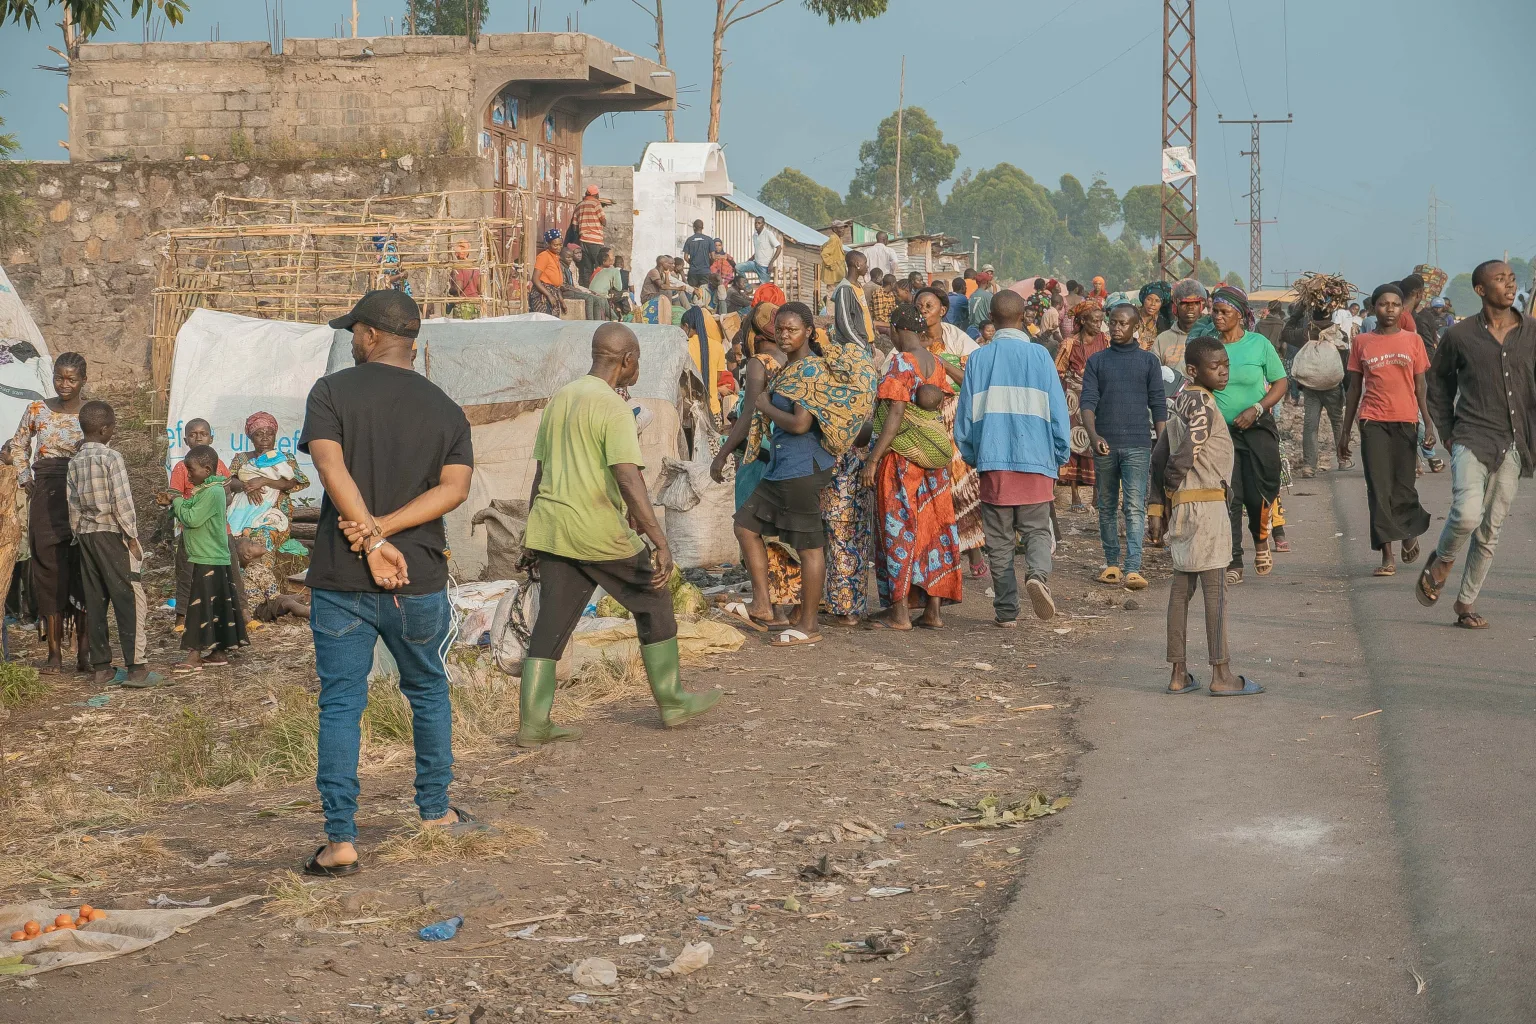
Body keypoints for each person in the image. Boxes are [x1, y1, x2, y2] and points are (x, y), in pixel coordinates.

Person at [300, 289, 478, 877]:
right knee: (426, 688)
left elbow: (330, 467)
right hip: (418, 576)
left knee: (342, 704)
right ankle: (434, 812)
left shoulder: (330, 393)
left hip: (340, 577)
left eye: (354, 331)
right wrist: (388, 533)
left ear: (374, 335)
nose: (350, 341)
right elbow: (454, 491)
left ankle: (342, 839)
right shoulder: (446, 409)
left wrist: (372, 539)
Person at [519, 321, 722, 743]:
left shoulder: (563, 398)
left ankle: (533, 723)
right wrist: (660, 541)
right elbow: (628, 478)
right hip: (594, 528)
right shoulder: (612, 407)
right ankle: (671, 701)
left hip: (553, 526)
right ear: (627, 359)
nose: (637, 370)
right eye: (638, 362)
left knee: (553, 621)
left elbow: (542, 472)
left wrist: (531, 532)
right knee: (653, 597)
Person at [733, 303, 876, 643]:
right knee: (745, 525)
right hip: (784, 467)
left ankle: (809, 626)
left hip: (803, 468)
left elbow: (800, 424)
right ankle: (763, 605)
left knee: (810, 547)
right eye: (780, 329)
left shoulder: (809, 371)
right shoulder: (791, 368)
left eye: (792, 329)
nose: (784, 335)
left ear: (809, 332)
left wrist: (765, 405)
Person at [1418, 260, 1536, 629]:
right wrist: (1448, 431)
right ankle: (1444, 557)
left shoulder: (1532, 332)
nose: (1508, 284)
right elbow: (1438, 385)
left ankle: (1465, 603)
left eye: (1512, 279)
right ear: (1481, 290)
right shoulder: (1460, 335)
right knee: (1468, 514)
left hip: (1515, 443)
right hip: (1471, 436)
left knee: (1491, 530)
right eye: (1499, 279)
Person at [1149, 337, 1259, 696]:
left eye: (1226, 364)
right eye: (1216, 366)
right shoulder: (1205, 405)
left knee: (1181, 591)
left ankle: (1178, 673)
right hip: (1206, 507)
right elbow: (1182, 456)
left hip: (1183, 507)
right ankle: (1222, 674)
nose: (1224, 370)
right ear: (1193, 370)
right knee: (1216, 592)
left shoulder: (1180, 400)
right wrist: (1167, 493)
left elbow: (1159, 454)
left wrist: (1161, 507)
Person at [955, 290, 1071, 626]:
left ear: (991, 319)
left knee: (999, 541)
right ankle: (1037, 576)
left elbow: (966, 419)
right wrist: (1060, 453)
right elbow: (1057, 412)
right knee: (1037, 531)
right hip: (1036, 459)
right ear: (1024, 318)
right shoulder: (1040, 358)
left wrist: (974, 455)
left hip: (994, 462)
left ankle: (1007, 611)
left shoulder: (978, 359)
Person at [861, 303, 963, 630]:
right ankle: (932, 611)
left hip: (902, 460)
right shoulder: (935, 361)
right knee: (933, 527)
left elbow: (895, 414)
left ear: (897, 329)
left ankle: (900, 612)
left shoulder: (901, 363)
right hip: (934, 459)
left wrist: (873, 459)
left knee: (898, 529)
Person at [1337, 283, 1434, 577]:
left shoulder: (1413, 341)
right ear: (1373, 308)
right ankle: (1386, 554)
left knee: (1403, 486)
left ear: (1401, 309)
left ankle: (1409, 531)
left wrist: (1428, 422)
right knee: (1379, 489)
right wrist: (1345, 432)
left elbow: (1420, 385)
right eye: (1383, 304)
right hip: (1372, 421)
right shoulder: (1362, 342)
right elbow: (1354, 388)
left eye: (1394, 304)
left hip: (1406, 420)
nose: (1389, 309)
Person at [8, 351, 89, 674]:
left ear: (84, 379)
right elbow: (18, 445)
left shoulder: (92, 412)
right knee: (47, 569)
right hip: (45, 495)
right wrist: (26, 478)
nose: (64, 384)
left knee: (83, 569)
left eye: (72, 378)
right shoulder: (37, 409)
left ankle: (84, 652)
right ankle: (54, 653)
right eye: (59, 377)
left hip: (82, 495)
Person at [68, 400, 157, 688]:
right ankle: (136, 667)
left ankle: (102, 667)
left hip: (85, 536)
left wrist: (78, 535)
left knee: (95, 600)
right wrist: (131, 537)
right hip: (110, 533)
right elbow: (122, 501)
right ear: (106, 429)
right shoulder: (111, 457)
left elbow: (72, 505)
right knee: (128, 598)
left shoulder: (74, 461)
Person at [1080, 299, 1167, 590]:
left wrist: (1162, 445)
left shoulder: (1148, 362)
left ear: (1135, 326)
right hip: (1105, 444)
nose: (1116, 328)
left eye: (1123, 323)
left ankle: (1133, 567)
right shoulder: (1097, 361)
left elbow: (1158, 405)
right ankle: (1112, 564)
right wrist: (1094, 437)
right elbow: (1088, 403)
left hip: (1139, 445)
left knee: (1133, 506)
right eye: (1113, 322)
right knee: (1106, 505)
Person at [1207, 286, 1288, 584]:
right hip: (1221, 434)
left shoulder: (1258, 344)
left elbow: (1280, 383)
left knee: (1260, 493)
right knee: (1231, 495)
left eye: (1224, 312)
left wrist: (1257, 408)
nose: (1217, 317)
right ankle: (1234, 561)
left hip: (1257, 429)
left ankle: (1261, 540)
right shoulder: (1208, 347)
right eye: (1214, 311)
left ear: (1240, 315)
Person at [914, 286, 987, 576]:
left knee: (962, 485)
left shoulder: (956, 338)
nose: (923, 310)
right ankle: (940, 555)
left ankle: (974, 550)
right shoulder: (910, 340)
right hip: (922, 419)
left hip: (953, 418)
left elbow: (973, 376)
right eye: (919, 305)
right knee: (931, 488)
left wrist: (940, 364)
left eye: (928, 306)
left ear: (942, 310)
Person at [166, 445, 245, 673]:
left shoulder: (213, 492)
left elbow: (192, 518)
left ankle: (193, 655)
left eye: (191, 470)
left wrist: (177, 499)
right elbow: (191, 506)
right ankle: (218, 652)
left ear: (207, 469)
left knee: (200, 607)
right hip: (211, 556)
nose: (188, 475)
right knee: (215, 607)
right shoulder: (207, 489)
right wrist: (177, 502)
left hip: (208, 556)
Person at [170, 417, 229, 634]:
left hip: (213, 534)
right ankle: (183, 617)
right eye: (193, 434)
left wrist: (177, 503)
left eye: (202, 434)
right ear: (185, 439)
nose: (198, 438)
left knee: (221, 578)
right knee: (186, 575)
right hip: (194, 536)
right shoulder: (182, 468)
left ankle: (239, 615)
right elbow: (176, 492)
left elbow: (192, 514)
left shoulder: (216, 480)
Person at [228, 411, 309, 555]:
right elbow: (229, 481)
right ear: (251, 438)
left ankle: (258, 575)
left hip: (274, 512)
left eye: (269, 433)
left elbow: (291, 483)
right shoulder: (241, 459)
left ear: (275, 436)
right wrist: (247, 487)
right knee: (232, 540)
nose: (265, 438)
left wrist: (264, 481)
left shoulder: (284, 458)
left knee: (262, 540)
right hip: (242, 510)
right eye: (259, 434)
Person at [1056, 302, 1109, 511]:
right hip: (1073, 398)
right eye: (1094, 321)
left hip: (1097, 396)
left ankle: (1097, 494)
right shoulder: (1069, 344)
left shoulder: (1105, 341)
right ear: (1083, 321)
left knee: (1096, 440)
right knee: (1074, 445)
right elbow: (1058, 370)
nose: (1098, 325)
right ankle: (1075, 495)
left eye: (1101, 321)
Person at [1295, 317, 1350, 479]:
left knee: (1310, 425)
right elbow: (1345, 365)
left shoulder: (1306, 333)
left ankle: (1309, 466)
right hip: (1333, 387)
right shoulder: (1340, 334)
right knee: (1337, 422)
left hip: (1311, 388)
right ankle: (1343, 459)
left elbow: (1286, 334)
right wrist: (1347, 390)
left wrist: (1297, 314)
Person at [234, 536, 310, 622]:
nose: (258, 543)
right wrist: (292, 597)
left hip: (259, 608)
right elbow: (273, 596)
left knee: (289, 600)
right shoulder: (258, 571)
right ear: (248, 555)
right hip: (258, 611)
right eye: (252, 543)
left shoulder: (251, 570)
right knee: (289, 603)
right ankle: (309, 612)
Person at [1155, 279, 1206, 376]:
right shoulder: (1162, 340)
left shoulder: (1209, 336)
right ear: (1175, 307)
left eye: (1195, 303)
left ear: (1201, 306)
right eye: (1185, 303)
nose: (1190, 307)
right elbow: (1154, 373)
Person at [830, 250, 875, 351]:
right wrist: (862, 344)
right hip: (854, 347)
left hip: (864, 343)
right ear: (857, 264)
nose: (867, 267)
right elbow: (844, 322)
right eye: (865, 263)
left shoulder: (858, 286)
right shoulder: (845, 289)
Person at [561, 243, 610, 320]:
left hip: (573, 289)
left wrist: (588, 290)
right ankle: (591, 322)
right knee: (592, 298)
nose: (579, 255)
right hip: (568, 291)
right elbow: (567, 285)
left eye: (580, 253)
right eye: (576, 253)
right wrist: (585, 291)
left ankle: (601, 321)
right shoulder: (567, 266)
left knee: (600, 298)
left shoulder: (573, 265)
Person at [571, 185, 607, 286]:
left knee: (586, 269)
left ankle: (587, 289)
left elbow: (574, 227)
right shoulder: (596, 204)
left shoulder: (579, 205)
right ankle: (598, 288)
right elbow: (603, 221)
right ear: (596, 195)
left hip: (583, 241)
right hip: (595, 241)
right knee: (600, 267)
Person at [736, 215, 781, 287]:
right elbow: (759, 249)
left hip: (765, 267)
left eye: (759, 223)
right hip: (755, 264)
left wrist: (771, 263)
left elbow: (779, 248)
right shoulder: (755, 235)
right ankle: (747, 287)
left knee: (764, 288)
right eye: (755, 223)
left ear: (763, 224)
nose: (757, 224)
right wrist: (751, 259)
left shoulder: (768, 234)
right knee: (738, 267)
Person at [529, 229, 565, 315]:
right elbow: (535, 279)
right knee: (544, 323)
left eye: (560, 245)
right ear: (548, 244)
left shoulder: (556, 258)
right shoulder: (544, 256)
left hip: (553, 294)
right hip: (542, 295)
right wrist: (549, 295)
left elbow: (556, 285)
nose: (558, 248)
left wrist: (561, 300)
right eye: (555, 245)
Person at [446, 239, 482, 319]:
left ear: (456, 253)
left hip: (463, 306)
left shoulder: (458, 268)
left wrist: (450, 290)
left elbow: (458, 289)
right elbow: (480, 289)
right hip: (476, 304)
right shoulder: (475, 267)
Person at [1138, 281, 1171, 349]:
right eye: (1149, 299)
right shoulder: (1131, 315)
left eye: (1157, 301)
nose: (1153, 304)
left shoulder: (1163, 322)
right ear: (1144, 299)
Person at [682, 219, 714, 287]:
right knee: (704, 292)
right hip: (705, 271)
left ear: (694, 227)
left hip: (693, 271)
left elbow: (685, 257)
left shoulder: (689, 240)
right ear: (702, 228)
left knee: (693, 292)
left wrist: (693, 263)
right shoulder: (709, 240)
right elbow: (713, 257)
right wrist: (708, 264)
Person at [968, 268, 996, 339]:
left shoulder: (972, 295)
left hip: (971, 329)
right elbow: (994, 309)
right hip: (983, 330)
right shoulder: (988, 295)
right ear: (986, 282)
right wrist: (994, 286)